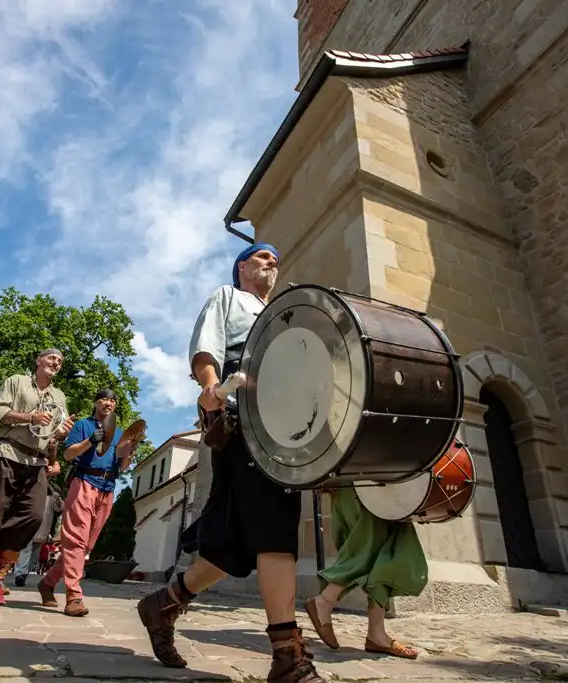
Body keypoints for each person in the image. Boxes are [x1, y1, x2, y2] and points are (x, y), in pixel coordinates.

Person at [136, 244, 323, 683]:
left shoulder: (282, 312)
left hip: (284, 424)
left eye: (275, 260)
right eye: (262, 258)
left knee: (230, 544)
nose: (271, 263)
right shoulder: (227, 296)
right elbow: (207, 350)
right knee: (275, 526)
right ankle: (287, 656)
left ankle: (163, 604)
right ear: (242, 267)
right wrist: (211, 390)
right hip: (244, 419)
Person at [0, 349, 74, 617]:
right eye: (51, 358)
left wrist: (61, 434)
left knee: (33, 517)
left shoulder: (59, 397)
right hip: (7, 453)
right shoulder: (17, 381)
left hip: (36, 463)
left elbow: (55, 433)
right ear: (38, 361)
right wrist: (29, 417)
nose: (55, 363)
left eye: (59, 361)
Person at [37, 389, 139, 616]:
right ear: (96, 402)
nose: (109, 403)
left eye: (113, 400)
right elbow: (68, 455)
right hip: (84, 481)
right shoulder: (83, 425)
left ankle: (48, 582)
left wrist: (130, 451)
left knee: (87, 545)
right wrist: (91, 440)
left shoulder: (120, 433)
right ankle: (74, 596)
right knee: (75, 541)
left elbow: (121, 467)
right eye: (104, 399)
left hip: (107, 488)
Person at [305, 487, 426, 659]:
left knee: (395, 547)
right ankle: (324, 601)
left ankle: (376, 633)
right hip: (359, 476)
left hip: (389, 479)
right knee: (369, 544)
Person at [13, 482, 62, 587]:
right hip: (41, 529)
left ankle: (22, 573)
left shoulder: (39, 494)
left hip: (33, 526)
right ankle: (22, 573)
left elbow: (60, 509)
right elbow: (60, 510)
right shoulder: (52, 497)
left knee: (28, 550)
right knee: (32, 551)